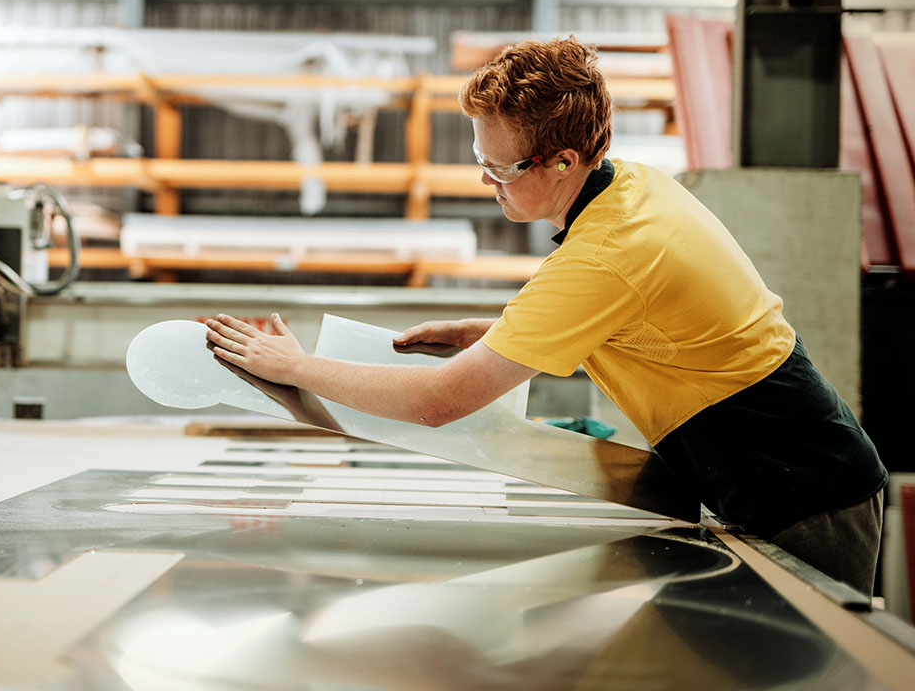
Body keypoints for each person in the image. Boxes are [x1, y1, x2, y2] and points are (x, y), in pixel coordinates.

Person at [203, 36, 888, 595]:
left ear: (562, 159)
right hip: (771, 472)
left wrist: (298, 368)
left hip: (805, 495)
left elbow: (442, 402)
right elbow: (626, 318)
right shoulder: (629, 186)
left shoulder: (609, 251)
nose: (486, 183)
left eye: (498, 170)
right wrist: (495, 336)